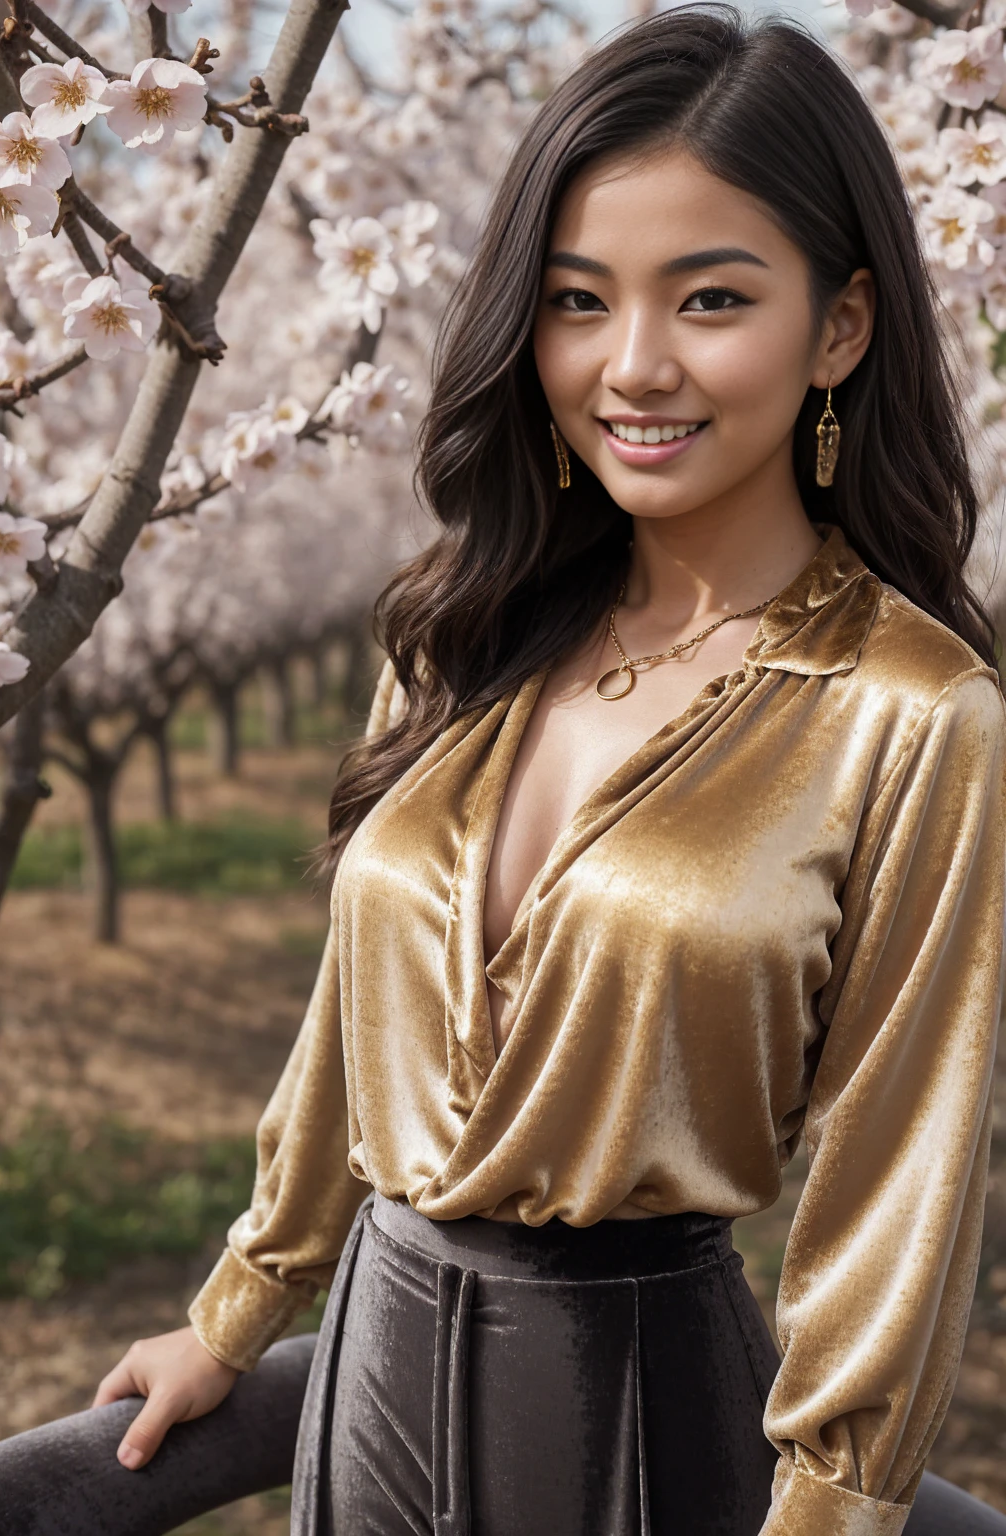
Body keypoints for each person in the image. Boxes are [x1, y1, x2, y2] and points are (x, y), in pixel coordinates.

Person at [86, 8, 1006, 1534]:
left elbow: (898, 1165)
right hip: (370, 1390)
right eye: (579, 302)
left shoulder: (913, 709)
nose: (632, 366)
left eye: (710, 299)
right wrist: (238, 1310)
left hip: (644, 1421)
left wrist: (834, 1510)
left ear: (840, 326)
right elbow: (349, 1017)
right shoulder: (464, 628)